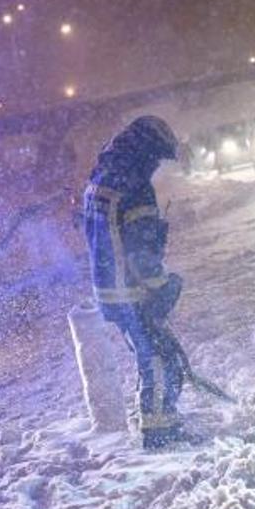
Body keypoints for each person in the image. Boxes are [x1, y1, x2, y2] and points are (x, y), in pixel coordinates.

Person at [82, 116, 191, 449]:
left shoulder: (102, 178)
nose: (157, 165)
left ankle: (161, 425)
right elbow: (141, 251)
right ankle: (161, 433)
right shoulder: (135, 188)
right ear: (146, 151)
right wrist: (162, 284)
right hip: (133, 292)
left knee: (151, 356)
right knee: (160, 360)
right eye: (157, 157)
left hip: (110, 291)